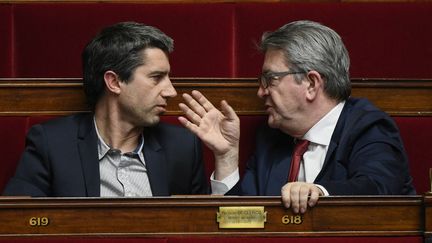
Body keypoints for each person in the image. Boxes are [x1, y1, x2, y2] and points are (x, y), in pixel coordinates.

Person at [178, 20, 416, 213]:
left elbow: (379, 188)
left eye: (270, 79)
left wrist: (319, 192)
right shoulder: (270, 137)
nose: (261, 91)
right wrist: (227, 156)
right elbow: (241, 220)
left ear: (312, 83)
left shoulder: (370, 127)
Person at [3, 22, 233, 197]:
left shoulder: (181, 147)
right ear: (114, 82)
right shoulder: (51, 144)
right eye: (157, 77)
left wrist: (225, 157)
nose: (171, 91)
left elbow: (210, 228)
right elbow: (18, 223)